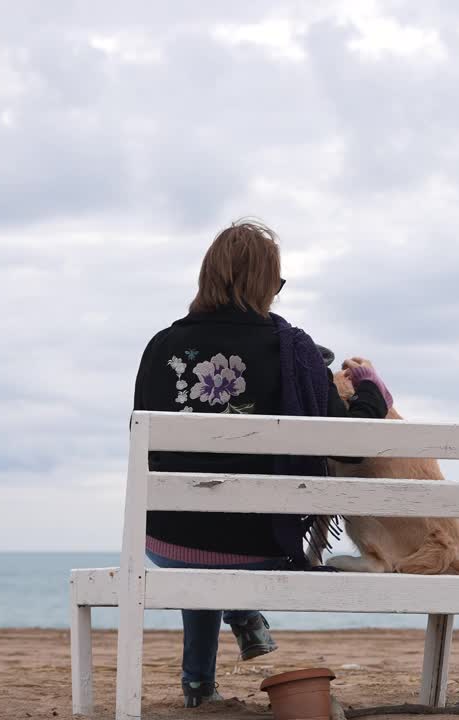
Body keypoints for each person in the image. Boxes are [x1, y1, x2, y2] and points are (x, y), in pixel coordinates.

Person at [132, 219, 395, 708]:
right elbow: (351, 447)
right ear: (264, 283)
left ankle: (200, 683)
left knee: (201, 538)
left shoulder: (160, 347)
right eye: (277, 282)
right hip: (259, 548)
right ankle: (241, 610)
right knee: (227, 538)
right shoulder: (293, 349)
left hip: (166, 541)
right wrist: (371, 391)